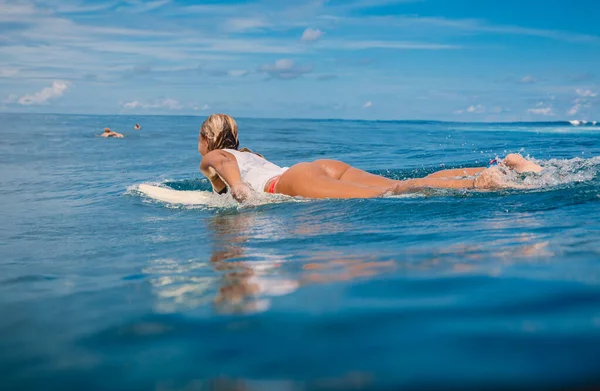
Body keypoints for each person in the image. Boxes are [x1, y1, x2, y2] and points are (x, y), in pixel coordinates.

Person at [198, 114, 543, 203]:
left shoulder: (214, 155)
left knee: (389, 194)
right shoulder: (251, 154)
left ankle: (477, 184)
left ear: (206, 138)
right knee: (395, 184)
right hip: (318, 167)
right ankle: (502, 165)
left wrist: (241, 191)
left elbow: (227, 171)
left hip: (289, 182)